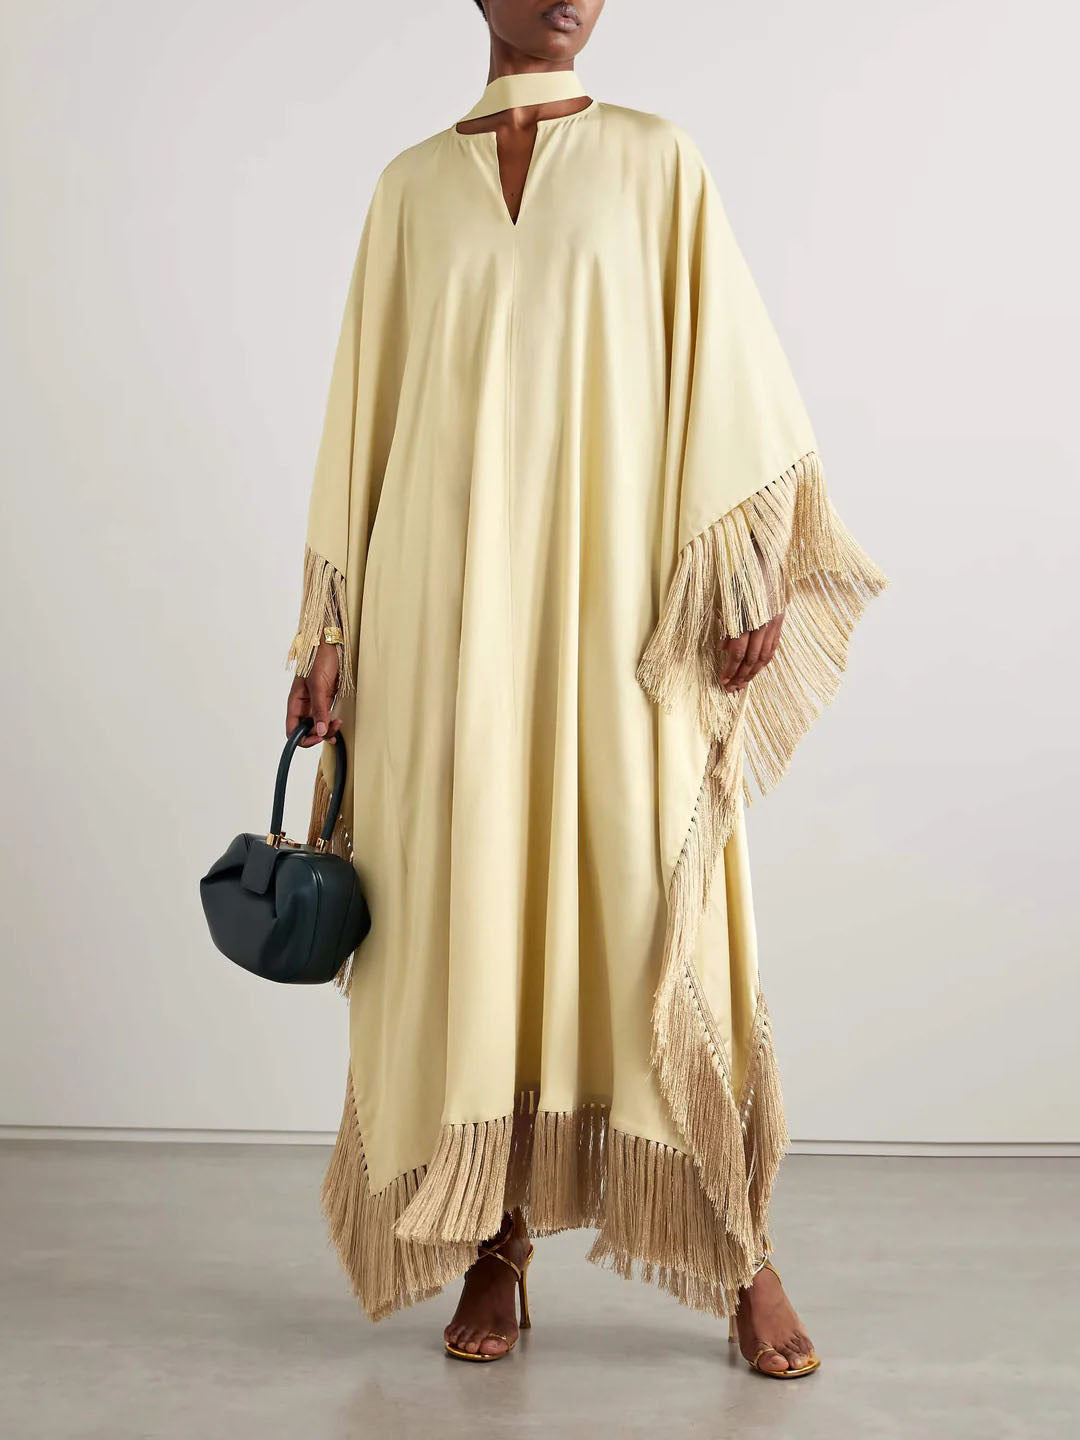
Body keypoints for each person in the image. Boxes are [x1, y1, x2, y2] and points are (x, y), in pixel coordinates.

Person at [285, 0, 885, 1376]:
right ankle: (498, 1240)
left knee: (652, 903)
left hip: (620, 613)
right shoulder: (410, 190)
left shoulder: (658, 161)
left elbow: (727, 379)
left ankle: (738, 1248)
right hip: (446, 622)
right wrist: (329, 632)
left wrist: (746, 566)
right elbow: (360, 419)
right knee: (474, 904)